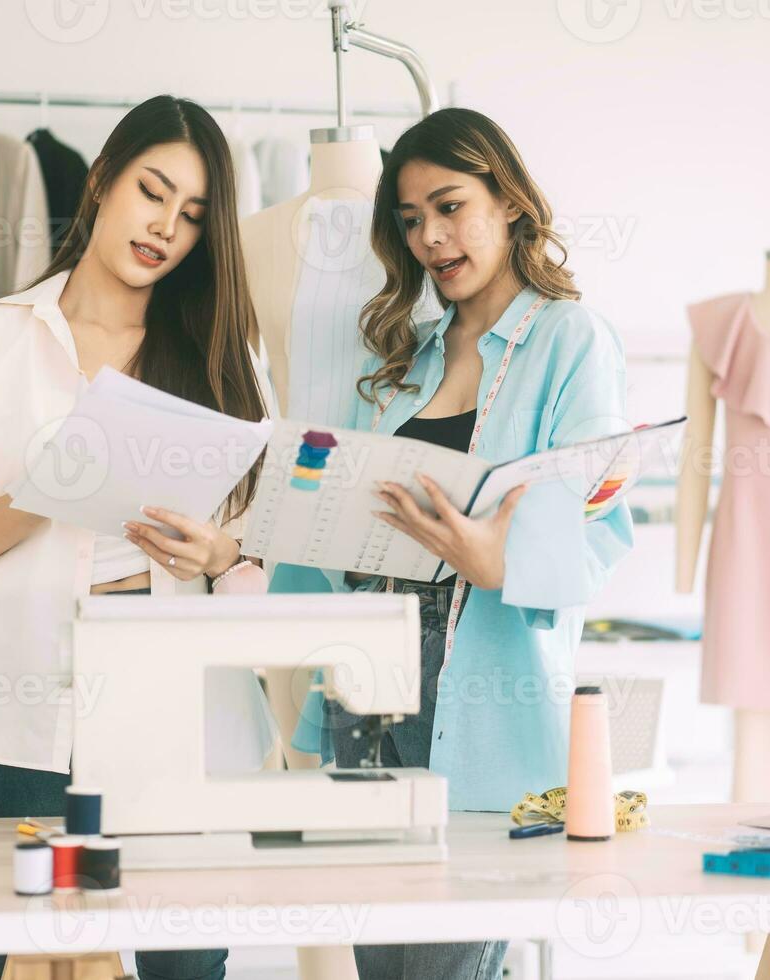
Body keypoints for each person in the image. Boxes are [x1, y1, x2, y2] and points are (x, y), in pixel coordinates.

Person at [0, 95, 275, 980]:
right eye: (153, 191)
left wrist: (219, 554)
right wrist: (48, 490)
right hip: (31, 694)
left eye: (192, 216)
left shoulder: (223, 351)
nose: (166, 227)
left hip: (179, 700)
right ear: (104, 178)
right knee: (35, 958)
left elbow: (261, 546)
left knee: (186, 964)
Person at [312, 107, 636, 980]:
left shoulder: (571, 341)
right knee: (380, 968)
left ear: (510, 200)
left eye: (450, 206)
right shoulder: (398, 361)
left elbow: (601, 522)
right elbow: (335, 525)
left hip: (485, 709)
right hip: (369, 702)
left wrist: (497, 563)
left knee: (450, 968)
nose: (430, 237)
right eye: (411, 220)